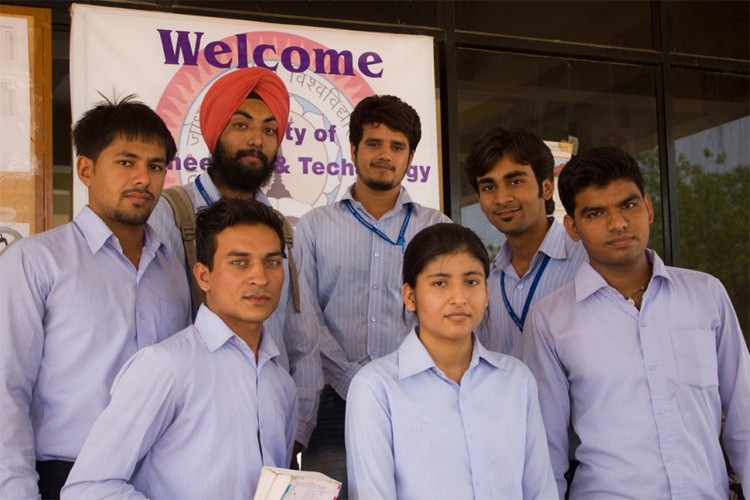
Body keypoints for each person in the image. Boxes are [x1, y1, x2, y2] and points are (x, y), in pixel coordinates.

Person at [522, 147, 750, 498]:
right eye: (596, 213)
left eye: (628, 205)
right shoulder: (550, 320)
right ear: (573, 228)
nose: (618, 224)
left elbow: (744, 421)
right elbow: (546, 453)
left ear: (648, 207)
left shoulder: (706, 295)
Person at [0, 96, 191, 499]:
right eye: (126, 162)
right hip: (62, 477)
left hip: (157, 481)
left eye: (155, 166)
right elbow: (6, 390)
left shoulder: (172, 270)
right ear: (86, 169)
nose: (143, 178)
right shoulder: (35, 262)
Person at [62, 198, 298, 499]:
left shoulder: (281, 383)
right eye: (239, 262)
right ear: (203, 276)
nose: (260, 277)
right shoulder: (166, 367)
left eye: (272, 262)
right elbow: (87, 488)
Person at [148, 67, 321, 456]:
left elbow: (303, 338)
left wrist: (297, 430)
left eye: (269, 130)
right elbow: (155, 331)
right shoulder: (170, 214)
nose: (256, 140)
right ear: (214, 131)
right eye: (241, 124)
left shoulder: (281, 229)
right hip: (192, 428)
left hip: (271, 427)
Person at [293, 94, 451, 493]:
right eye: (374, 143)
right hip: (332, 405)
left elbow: (446, 314)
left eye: (397, 146)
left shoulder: (437, 229)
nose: (385, 155)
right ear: (353, 150)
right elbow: (305, 317)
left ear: (410, 156)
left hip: (419, 397)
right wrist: (353, 379)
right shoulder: (313, 227)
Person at [346, 223, 557, 499]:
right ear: (410, 296)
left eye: (471, 282)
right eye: (440, 283)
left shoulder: (516, 379)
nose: (459, 298)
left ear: (486, 292)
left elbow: (540, 491)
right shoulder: (376, 388)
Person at [464, 127, 587, 357]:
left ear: (547, 188)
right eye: (489, 187)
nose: (502, 198)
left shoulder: (587, 262)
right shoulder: (486, 281)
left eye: (515, 182)